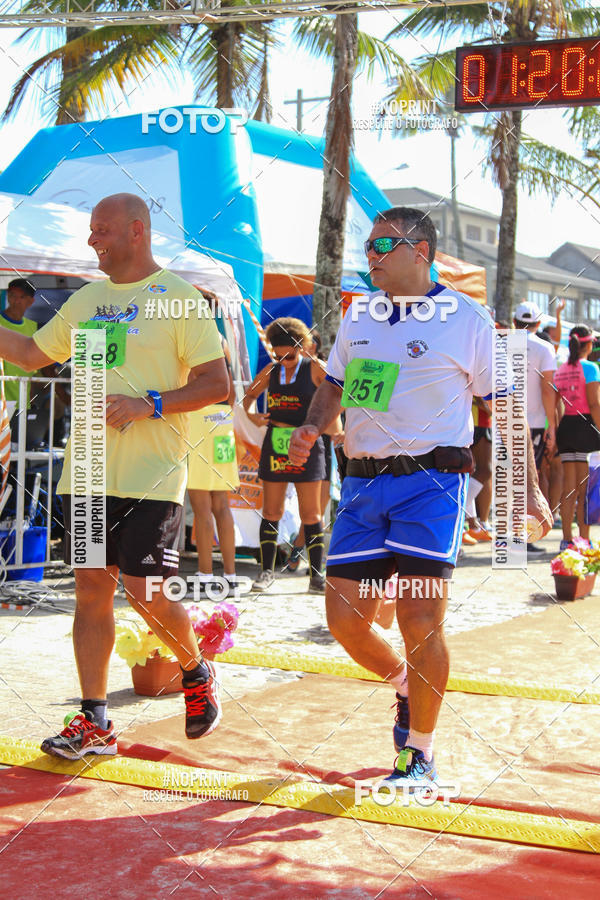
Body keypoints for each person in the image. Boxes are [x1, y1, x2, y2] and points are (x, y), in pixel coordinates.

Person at [288, 207, 551, 788]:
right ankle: (406, 685)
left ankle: (420, 755)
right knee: (346, 622)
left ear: (421, 250)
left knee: (420, 616)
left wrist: (526, 488)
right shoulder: (362, 315)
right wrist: (311, 427)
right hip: (360, 483)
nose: (371, 254)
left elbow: (503, 406)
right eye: (368, 244)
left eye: (384, 243)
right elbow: (336, 385)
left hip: (432, 485)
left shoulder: (467, 317)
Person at [0, 193, 229, 759]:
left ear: (136, 231)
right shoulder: (87, 299)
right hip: (86, 470)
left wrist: (149, 403)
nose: (91, 241)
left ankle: (196, 671)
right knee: (91, 590)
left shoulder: (179, 299)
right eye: (90, 231)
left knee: (148, 592)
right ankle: (94, 720)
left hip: (152, 474)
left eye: (100, 230)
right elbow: (30, 355)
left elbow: (217, 384)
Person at [243, 317, 327, 594]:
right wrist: (254, 416)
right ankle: (266, 572)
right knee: (271, 511)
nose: (285, 361)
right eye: (278, 356)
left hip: (306, 443)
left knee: (311, 513)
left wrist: (331, 427)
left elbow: (339, 395)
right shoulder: (272, 370)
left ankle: (317, 576)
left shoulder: (315, 368)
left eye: (290, 355)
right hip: (276, 441)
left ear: (303, 347)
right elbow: (247, 399)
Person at [187, 313, 240, 598]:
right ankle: (230, 575)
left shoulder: (190, 339)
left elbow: (183, 383)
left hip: (198, 418)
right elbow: (230, 387)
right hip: (222, 420)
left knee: (202, 506)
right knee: (221, 504)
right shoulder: (221, 340)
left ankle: (205, 575)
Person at [286, 329, 343, 572]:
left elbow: (340, 398)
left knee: (316, 509)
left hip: (328, 443)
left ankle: (306, 558)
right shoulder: (294, 370)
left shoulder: (322, 368)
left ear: (314, 347)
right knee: (311, 511)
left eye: (308, 345)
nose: (304, 349)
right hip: (305, 442)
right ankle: (305, 557)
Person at [513, 300, 557, 552]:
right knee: (529, 479)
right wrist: (551, 426)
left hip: (505, 420)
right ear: (539, 323)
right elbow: (547, 389)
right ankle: (523, 537)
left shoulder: (500, 344)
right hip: (535, 422)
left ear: (515, 322)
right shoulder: (545, 348)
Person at [554, 324, 600, 550]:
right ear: (588, 344)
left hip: (566, 427)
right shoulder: (590, 367)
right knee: (585, 490)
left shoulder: (561, 368)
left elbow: (556, 405)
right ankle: (584, 540)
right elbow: (594, 403)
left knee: (569, 488)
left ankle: (566, 540)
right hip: (585, 428)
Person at [1, 278, 38, 413]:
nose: (16, 301)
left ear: (31, 301)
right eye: (12, 295)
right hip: (2, 402)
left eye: (21, 297)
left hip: (22, 402)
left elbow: (33, 368)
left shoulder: (32, 327)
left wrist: (31, 398)